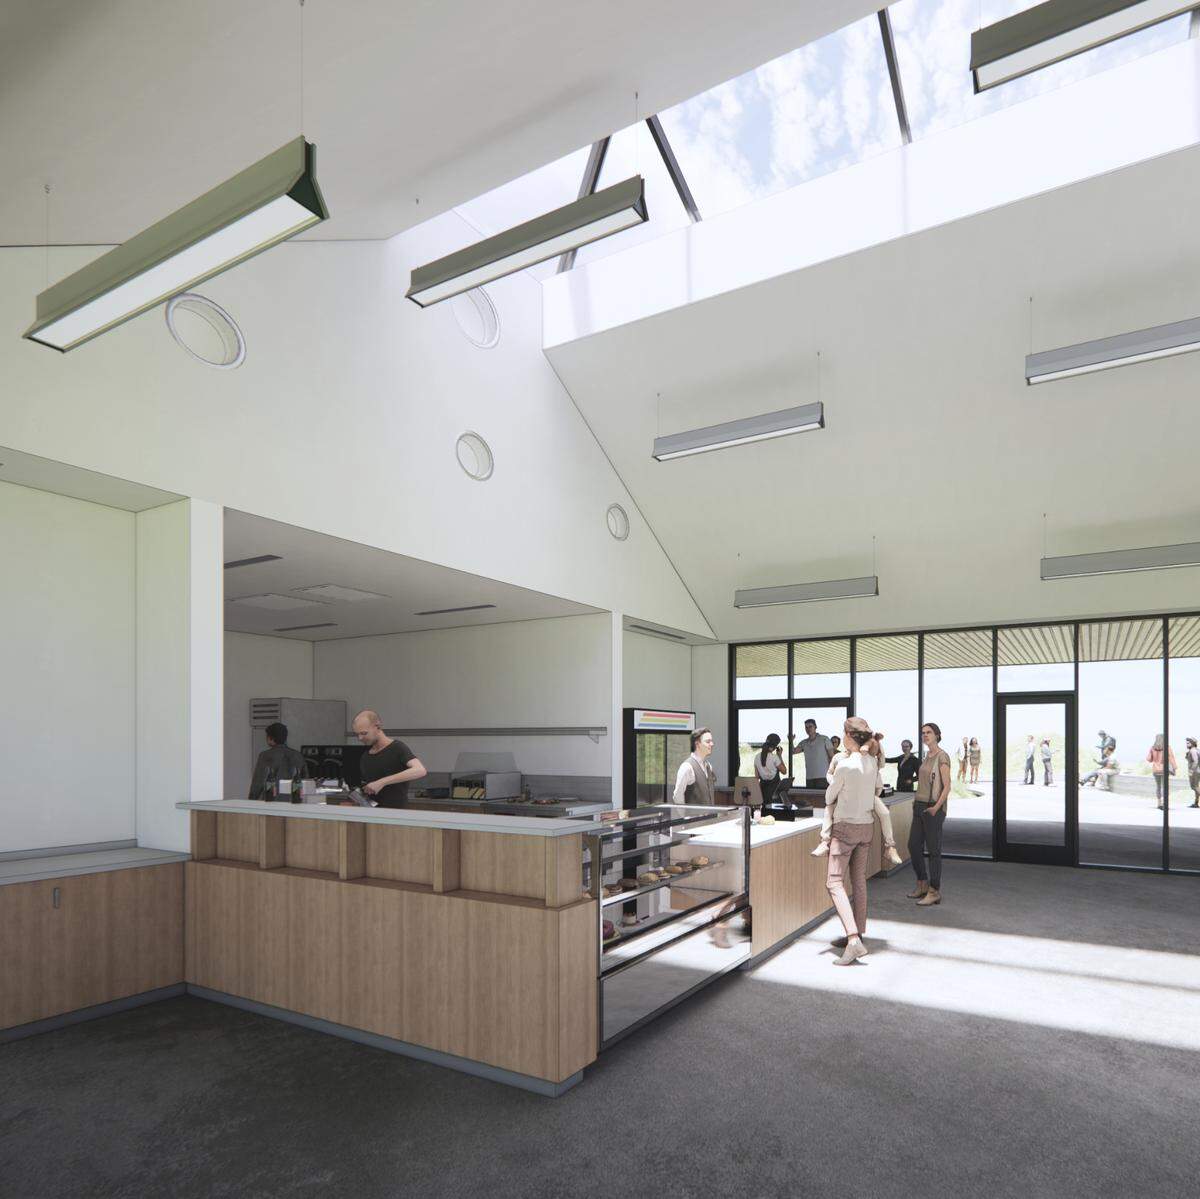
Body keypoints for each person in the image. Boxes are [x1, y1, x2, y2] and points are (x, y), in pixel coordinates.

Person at [822, 717, 892, 965]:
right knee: (859, 881)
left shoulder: (844, 766)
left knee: (833, 882)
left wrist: (834, 784)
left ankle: (853, 940)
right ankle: (858, 932)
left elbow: (830, 796)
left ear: (850, 736)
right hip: (866, 827)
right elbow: (876, 791)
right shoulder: (872, 762)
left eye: (843, 733)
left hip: (844, 829)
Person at [813, 729, 903, 868]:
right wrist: (834, 783)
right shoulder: (839, 758)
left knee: (885, 813)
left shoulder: (867, 758)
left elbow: (882, 763)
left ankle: (890, 846)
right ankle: (824, 842)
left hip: (866, 794)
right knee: (829, 809)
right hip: (844, 793)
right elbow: (830, 773)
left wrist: (878, 743)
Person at [908, 722, 951, 906]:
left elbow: (947, 786)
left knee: (934, 850)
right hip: (919, 805)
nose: (925, 735)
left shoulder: (942, 756)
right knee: (913, 846)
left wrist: (936, 807)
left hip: (933, 808)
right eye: (923, 733)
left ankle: (934, 891)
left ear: (937, 735)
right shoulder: (926, 757)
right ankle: (922, 883)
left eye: (929, 732)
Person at [352, 710, 427, 808]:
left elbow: (420, 770)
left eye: (364, 733)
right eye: (357, 734)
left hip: (395, 815)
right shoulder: (366, 756)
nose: (360, 738)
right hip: (373, 816)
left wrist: (381, 782)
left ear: (377, 727)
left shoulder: (397, 748)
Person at [248, 721, 307, 799]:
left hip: (271, 801)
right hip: (293, 802)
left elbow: (258, 783)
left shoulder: (265, 756)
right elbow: (305, 782)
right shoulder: (298, 755)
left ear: (271, 738)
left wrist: (251, 801)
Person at [673, 727, 717, 804]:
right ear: (697, 744)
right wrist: (684, 815)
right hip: (693, 815)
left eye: (711, 741)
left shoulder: (709, 766)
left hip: (711, 815)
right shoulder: (687, 767)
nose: (712, 744)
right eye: (708, 741)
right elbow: (677, 796)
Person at [794, 719, 835, 788]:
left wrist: (831, 773)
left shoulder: (824, 739)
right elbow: (793, 751)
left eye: (810, 726)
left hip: (823, 776)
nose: (808, 729)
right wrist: (791, 740)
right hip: (809, 777)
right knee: (810, 798)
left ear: (815, 727)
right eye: (806, 727)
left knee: (822, 798)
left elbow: (832, 757)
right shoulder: (804, 742)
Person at [754, 733, 787, 814]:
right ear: (775, 747)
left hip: (762, 793)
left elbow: (757, 777)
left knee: (764, 815)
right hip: (775, 794)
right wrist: (779, 755)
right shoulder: (774, 758)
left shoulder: (757, 757)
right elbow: (784, 771)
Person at [1147, 734, 1178, 811]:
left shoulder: (1152, 748)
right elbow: (1171, 758)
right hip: (1164, 770)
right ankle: (1164, 803)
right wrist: (1174, 767)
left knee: (1158, 786)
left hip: (1155, 770)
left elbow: (1149, 759)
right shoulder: (1167, 747)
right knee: (1165, 787)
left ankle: (1159, 803)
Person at [1186, 738, 1200, 808]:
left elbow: (1195, 761)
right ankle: (1196, 803)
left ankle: (1196, 803)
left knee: (1194, 786)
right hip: (1197, 770)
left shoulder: (1193, 751)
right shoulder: (1196, 750)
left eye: (1188, 743)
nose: (1187, 744)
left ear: (1193, 743)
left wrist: (1191, 770)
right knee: (1196, 786)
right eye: (1187, 743)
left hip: (1194, 771)